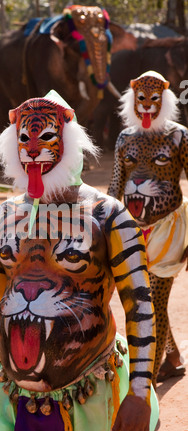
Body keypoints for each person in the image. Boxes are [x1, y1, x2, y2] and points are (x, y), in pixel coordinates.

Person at [0, 90, 158, 431]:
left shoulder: (109, 214)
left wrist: (139, 392)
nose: (33, 149)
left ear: (69, 142)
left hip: (92, 398)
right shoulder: (6, 213)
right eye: (24, 139)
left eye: (47, 137)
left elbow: (140, 306)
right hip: (13, 397)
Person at [108, 71, 188, 387]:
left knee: (153, 303)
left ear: (164, 99)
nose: (147, 106)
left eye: (154, 99)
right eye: (141, 99)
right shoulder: (125, 137)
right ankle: (173, 357)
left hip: (169, 231)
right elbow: (115, 184)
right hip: (131, 230)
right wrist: (101, 222)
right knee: (143, 300)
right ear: (132, 99)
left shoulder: (180, 136)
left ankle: (147, 385)